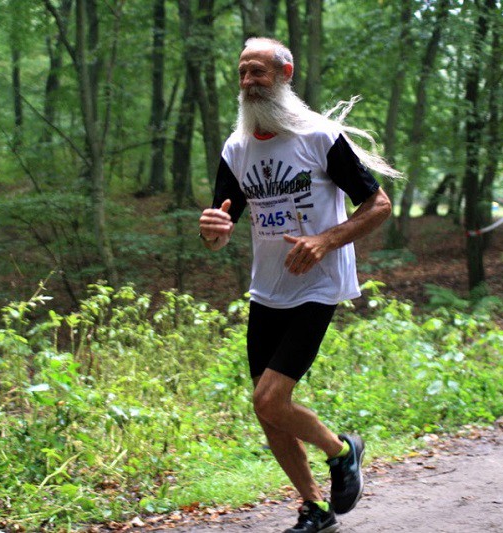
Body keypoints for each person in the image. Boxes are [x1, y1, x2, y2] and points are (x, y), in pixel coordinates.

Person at [198, 37, 397, 533]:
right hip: (267, 287)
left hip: (318, 283)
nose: (248, 82)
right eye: (242, 73)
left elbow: (379, 206)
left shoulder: (318, 137)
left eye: (258, 72)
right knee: (270, 413)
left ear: (285, 74)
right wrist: (212, 233)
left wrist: (326, 240)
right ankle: (314, 507)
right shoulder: (236, 148)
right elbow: (220, 229)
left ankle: (341, 450)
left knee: (268, 400)